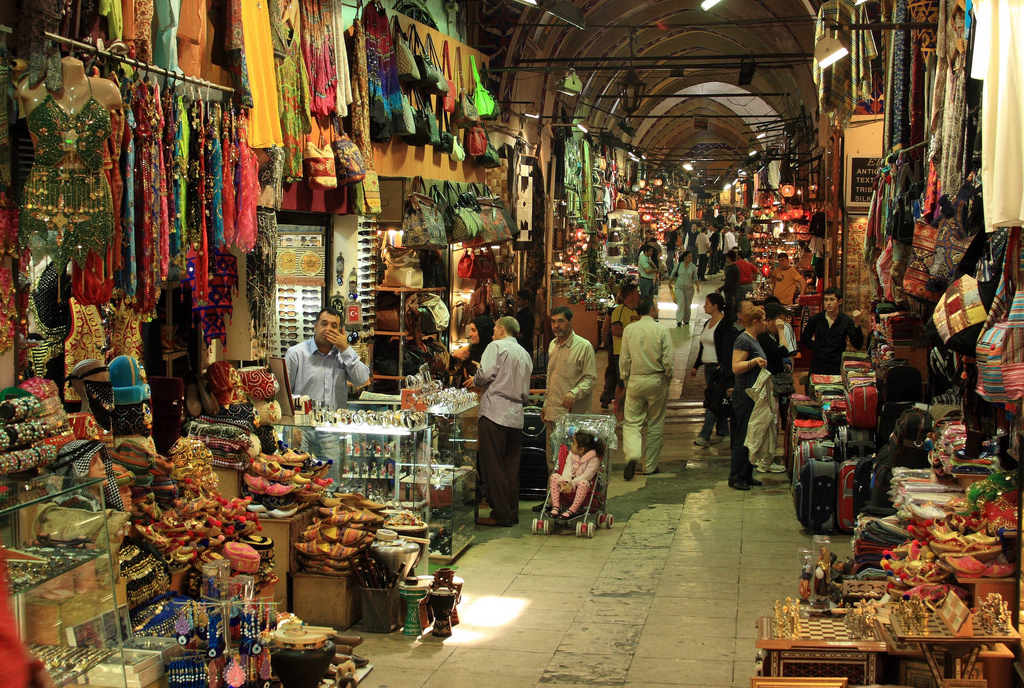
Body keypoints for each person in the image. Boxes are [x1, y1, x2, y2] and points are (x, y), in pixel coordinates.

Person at [286, 307, 371, 488]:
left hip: (331, 430)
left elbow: (362, 379)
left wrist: (346, 349)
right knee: (298, 481)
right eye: (324, 324)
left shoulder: (343, 357)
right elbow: (285, 395)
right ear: (315, 326)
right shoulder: (296, 354)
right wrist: (290, 426)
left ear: (340, 331)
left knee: (329, 484)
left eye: (334, 326)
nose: (328, 329)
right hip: (301, 429)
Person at [470, 316, 533, 527]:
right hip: (516, 414)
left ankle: (500, 513)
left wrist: (477, 374)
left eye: (495, 328)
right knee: (510, 467)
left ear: (502, 330)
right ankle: (511, 511)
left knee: (493, 465)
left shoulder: (495, 346)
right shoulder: (524, 353)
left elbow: (484, 374)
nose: (493, 332)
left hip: (495, 412)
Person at [620, 296, 674, 480]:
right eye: (656, 307)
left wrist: (625, 378)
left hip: (635, 379)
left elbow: (625, 358)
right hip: (656, 379)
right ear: (651, 310)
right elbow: (667, 360)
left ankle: (632, 456)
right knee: (655, 423)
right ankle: (649, 466)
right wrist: (668, 377)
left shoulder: (629, 330)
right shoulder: (662, 330)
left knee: (632, 422)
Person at [542, 305, 597, 469]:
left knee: (573, 463)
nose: (556, 326)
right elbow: (550, 378)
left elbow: (591, 379)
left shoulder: (583, 347)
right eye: (553, 322)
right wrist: (545, 404)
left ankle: (572, 494)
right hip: (553, 414)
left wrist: (574, 392)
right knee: (552, 462)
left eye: (560, 321)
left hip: (573, 417)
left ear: (570, 322)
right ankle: (553, 494)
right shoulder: (553, 345)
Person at [729, 306, 769, 491]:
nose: (766, 323)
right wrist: (754, 362)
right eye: (764, 319)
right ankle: (736, 477)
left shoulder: (753, 339)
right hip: (744, 394)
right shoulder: (744, 340)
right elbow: (736, 367)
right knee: (743, 436)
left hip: (752, 394)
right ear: (756, 322)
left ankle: (746, 474)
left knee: (749, 435)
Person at [691, 293, 733, 447]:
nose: (704, 306)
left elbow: (727, 347)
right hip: (708, 369)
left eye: (707, 303)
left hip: (719, 369)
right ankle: (723, 432)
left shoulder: (725, 323)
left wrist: (724, 364)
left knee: (712, 402)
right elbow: (703, 346)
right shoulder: (708, 322)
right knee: (717, 399)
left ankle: (704, 435)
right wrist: (696, 365)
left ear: (715, 306)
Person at [800, 287, 865, 376]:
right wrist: (818, 348)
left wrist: (857, 324)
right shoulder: (816, 319)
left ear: (840, 302)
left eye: (832, 300)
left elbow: (858, 345)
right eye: (826, 300)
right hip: (818, 364)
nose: (828, 303)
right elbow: (804, 338)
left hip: (836, 365)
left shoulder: (846, 321)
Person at [548, 430, 605, 518]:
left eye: (573, 443)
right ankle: (556, 506)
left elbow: (587, 475)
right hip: (567, 484)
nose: (571, 444)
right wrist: (565, 481)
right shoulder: (571, 455)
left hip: (582, 487)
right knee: (555, 477)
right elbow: (567, 469)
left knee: (584, 483)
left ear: (581, 449)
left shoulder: (594, 459)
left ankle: (572, 509)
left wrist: (572, 484)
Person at [450, 316, 495, 386]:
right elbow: (449, 366)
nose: (470, 334)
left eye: (474, 330)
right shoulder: (469, 349)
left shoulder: (494, 352)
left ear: (483, 332)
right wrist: (453, 355)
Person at [599, 289, 623, 409]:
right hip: (620, 346)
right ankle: (613, 398)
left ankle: (607, 395)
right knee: (618, 373)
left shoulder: (612, 310)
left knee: (612, 371)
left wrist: (605, 342)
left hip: (613, 345)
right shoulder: (624, 311)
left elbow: (605, 328)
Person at [670, 250, 699, 327]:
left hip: (689, 288)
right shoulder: (679, 265)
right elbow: (673, 274)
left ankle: (686, 320)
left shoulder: (692, 266)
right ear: (685, 257)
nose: (691, 258)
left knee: (687, 305)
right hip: (679, 287)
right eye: (689, 256)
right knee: (680, 303)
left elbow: (695, 277)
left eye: (691, 256)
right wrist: (669, 283)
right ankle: (679, 320)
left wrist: (698, 286)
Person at [514, 289, 536, 355]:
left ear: (526, 301)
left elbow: (527, 335)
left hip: (525, 346)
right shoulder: (520, 313)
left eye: (519, 299)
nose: (517, 301)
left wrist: (514, 335)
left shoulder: (528, 315)